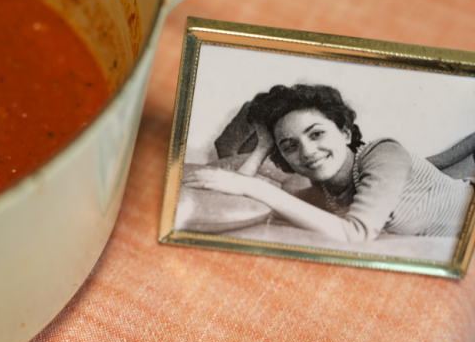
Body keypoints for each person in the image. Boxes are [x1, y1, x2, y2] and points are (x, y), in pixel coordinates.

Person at [182, 84, 475, 242]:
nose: (308, 151)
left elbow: (356, 233)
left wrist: (256, 188)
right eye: (290, 146)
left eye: (317, 134)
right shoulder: (320, 191)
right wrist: (264, 148)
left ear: (345, 133)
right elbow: (234, 197)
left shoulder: (384, 153)